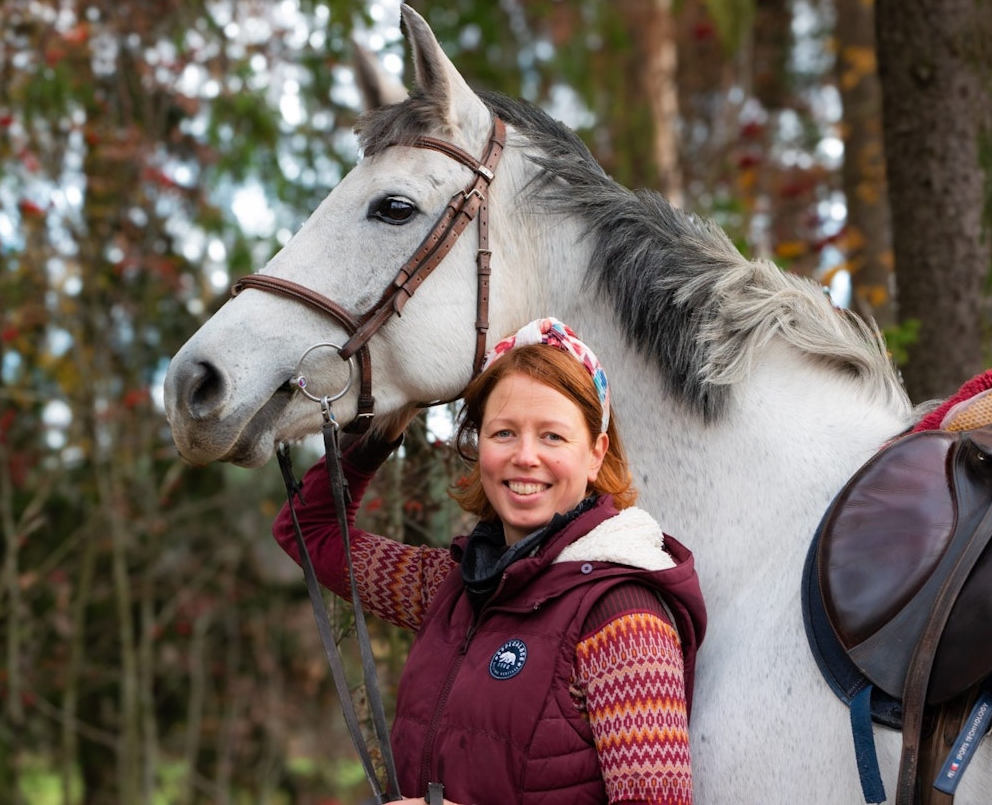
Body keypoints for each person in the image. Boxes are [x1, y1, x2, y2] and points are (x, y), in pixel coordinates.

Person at [273, 318, 707, 804]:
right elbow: (309, 533)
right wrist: (381, 434)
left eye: (552, 437)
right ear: (479, 446)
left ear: (595, 455)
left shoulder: (623, 617)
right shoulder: (453, 585)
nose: (525, 456)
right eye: (503, 433)